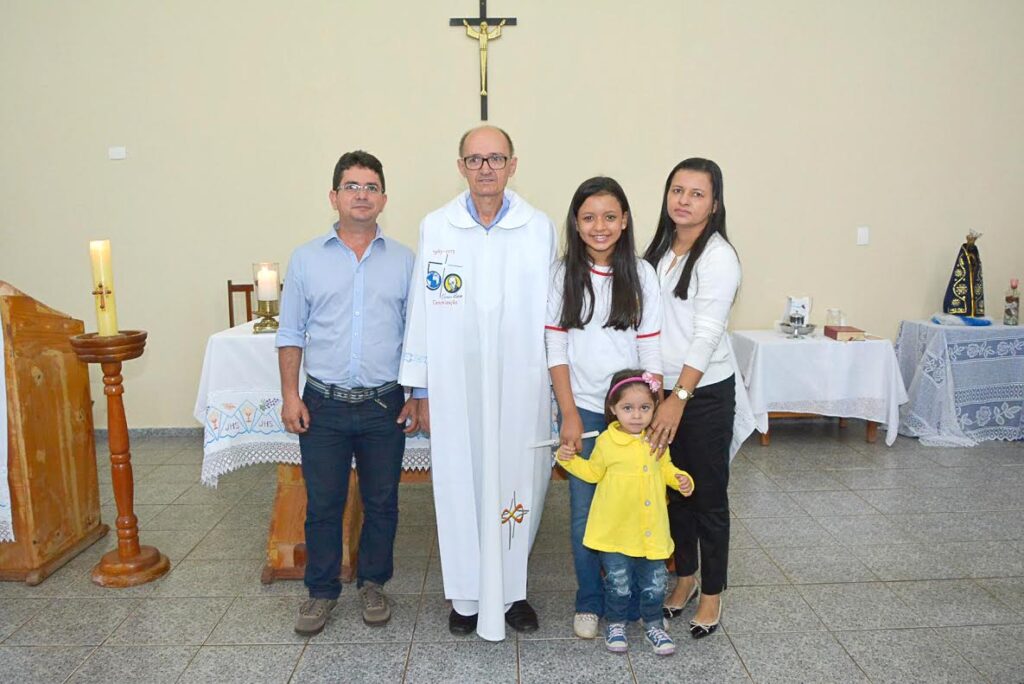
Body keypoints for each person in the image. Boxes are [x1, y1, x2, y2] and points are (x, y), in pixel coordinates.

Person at [399, 125, 556, 641]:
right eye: (475, 159)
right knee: (459, 481)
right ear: (461, 166)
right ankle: (466, 595)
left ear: (513, 165)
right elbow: (423, 307)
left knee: (520, 479)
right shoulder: (437, 227)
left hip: (520, 380)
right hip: (455, 383)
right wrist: (421, 389)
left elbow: (552, 312)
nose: (485, 168)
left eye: (496, 158)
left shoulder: (538, 229)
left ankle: (512, 592)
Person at [277, 150, 421, 636]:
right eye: (352, 186)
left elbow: (415, 334)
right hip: (323, 403)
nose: (362, 195)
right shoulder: (306, 258)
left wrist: (417, 394)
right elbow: (290, 333)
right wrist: (290, 395)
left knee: (382, 502)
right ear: (334, 196)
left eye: (371, 187)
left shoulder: (404, 260)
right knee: (323, 504)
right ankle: (321, 592)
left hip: (384, 404)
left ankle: (373, 583)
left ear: (384, 199)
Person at [544, 176, 662, 639]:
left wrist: (652, 407)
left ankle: (629, 599)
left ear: (625, 220)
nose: (600, 226)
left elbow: (650, 348)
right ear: (576, 223)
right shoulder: (561, 274)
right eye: (589, 217)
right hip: (585, 411)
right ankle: (589, 601)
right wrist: (569, 413)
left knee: (632, 505)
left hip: (633, 413)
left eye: (610, 217)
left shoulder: (642, 273)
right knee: (585, 513)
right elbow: (556, 349)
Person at [643, 157, 752, 639]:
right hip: (661, 390)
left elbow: (706, 335)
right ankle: (684, 577)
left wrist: (678, 398)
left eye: (696, 193)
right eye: (677, 190)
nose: (683, 200)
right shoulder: (661, 249)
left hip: (701, 394)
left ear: (714, 203)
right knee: (674, 491)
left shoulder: (718, 257)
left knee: (707, 496)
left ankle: (712, 593)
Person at [556, 369, 694, 656]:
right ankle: (616, 623)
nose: (636, 415)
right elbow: (592, 472)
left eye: (644, 408)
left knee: (655, 583)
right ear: (613, 409)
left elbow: (666, 469)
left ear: (655, 408)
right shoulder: (607, 441)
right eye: (628, 408)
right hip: (616, 532)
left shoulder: (656, 439)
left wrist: (681, 479)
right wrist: (566, 460)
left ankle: (653, 623)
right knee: (618, 583)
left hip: (650, 531)